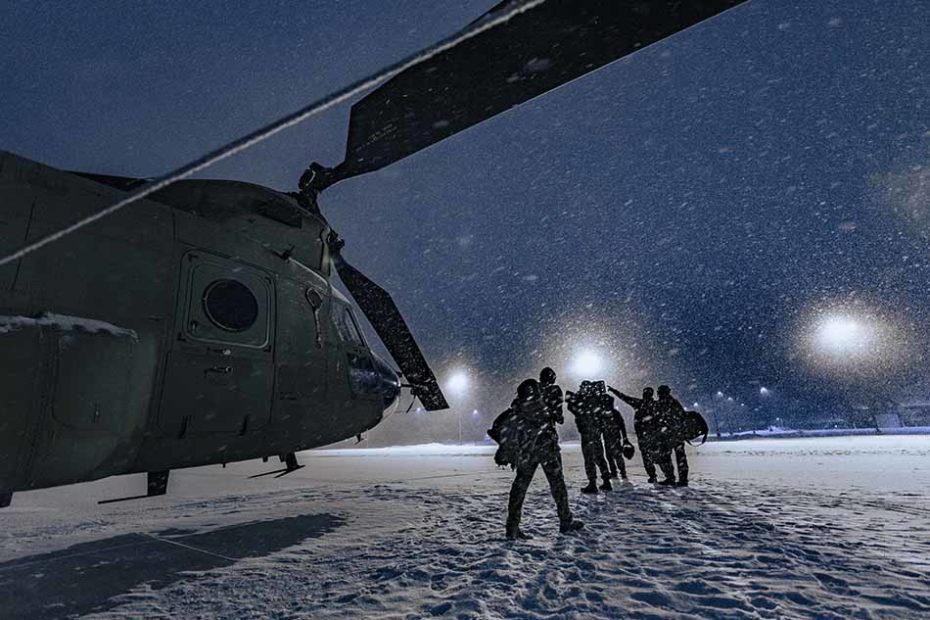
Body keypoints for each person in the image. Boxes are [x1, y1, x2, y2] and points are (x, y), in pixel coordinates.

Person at [501, 379, 584, 539]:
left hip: (527, 451)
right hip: (547, 449)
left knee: (519, 488)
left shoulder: (517, 405)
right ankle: (565, 521)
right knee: (558, 485)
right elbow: (558, 418)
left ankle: (512, 527)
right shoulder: (543, 402)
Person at [566, 381, 612, 493]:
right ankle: (606, 481)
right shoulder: (597, 400)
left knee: (589, 459)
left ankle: (592, 483)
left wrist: (574, 398)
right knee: (600, 457)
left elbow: (572, 408)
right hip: (596, 433)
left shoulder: (585, 401)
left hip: (588, 434)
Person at [611, 386, 658, 482]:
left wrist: (614, 391)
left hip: (647, 436)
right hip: (650, 436)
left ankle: (655, 475)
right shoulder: (654, 405)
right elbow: (625, 398)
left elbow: (625, 398)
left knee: (648, 457)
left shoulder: (640, 404)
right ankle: (660, 475)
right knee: (652, 457)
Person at [653, 384, 689, 486]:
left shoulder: (665, 404)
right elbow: (681, 417)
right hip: (674, 435)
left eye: (660, 393)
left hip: (669, 436)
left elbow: (657, 420)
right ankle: (680, 479)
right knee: (678, 457)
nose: (659, 394)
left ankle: (672, 478)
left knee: (668, 457)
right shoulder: (673, 403)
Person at [598, 388, 631, 480]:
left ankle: (622, 472)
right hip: (608, 439)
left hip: (615, 438)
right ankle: (615, 472)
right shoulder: (603, 414)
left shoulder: (614, 413)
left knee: (617, 456)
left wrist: (625, 437)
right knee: (610, 457)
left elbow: (622, 426)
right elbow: (600, 427)